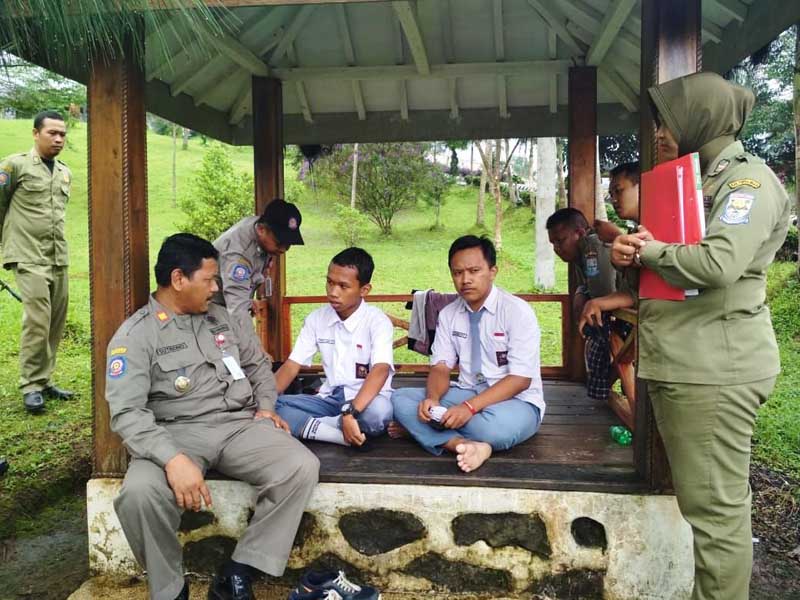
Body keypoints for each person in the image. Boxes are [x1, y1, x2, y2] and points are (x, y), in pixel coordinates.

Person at [611, 72, 790, 600]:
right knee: (709, 509)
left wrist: (649, 252)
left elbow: (718, 263)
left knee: (716, 516)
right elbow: (671, 265)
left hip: (714, 370)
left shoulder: (746, 184)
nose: (658, 132)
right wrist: (633, 253)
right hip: (686, 363)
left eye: (666, 120)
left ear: (699, 118)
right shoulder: (691, 183)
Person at [106, 233, 319, 600]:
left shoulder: (224, 318)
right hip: (174, 435)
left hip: (238, 426)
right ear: (178, 280)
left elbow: (257, 366)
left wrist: (266, 408)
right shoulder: (136, 336)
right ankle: (170, 589)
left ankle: (239, 571)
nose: (217, 287)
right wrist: (172, 459)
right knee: (139, 494)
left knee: (299, 465)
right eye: (209, 280)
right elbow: (127, 412)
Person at [391, 235, 544, 473]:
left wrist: (468, 409)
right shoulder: (449, 313)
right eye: (457, 273)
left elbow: (520, 380)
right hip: (466, 392)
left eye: (474, 271)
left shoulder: (517, 311)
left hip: (516, 403)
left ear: (493, 271)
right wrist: (432, 398)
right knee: (399, 400)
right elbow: (441, 366)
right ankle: (463, 445)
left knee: (495, 431)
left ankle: (421, 432)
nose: (465, 280)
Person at [274, 247, 394, 448]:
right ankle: (337, 433)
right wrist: (263, 402)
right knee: (273, 406)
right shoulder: (316, 319)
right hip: (329, 399)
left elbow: (380, 370)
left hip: (365, 400)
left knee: (379, 413)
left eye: (343, 286)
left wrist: (350, 411)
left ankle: (316, 426)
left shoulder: (377, 321)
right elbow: (292, 364)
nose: (333, 292)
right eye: (329, 282)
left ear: (364, 290)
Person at [0, 110, 74, 413]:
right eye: (51, 133)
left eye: (62, 134)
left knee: (55, 320)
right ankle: (30, 384)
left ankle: (44, 380)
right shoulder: (14, 165)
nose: (58, 139)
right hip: (27, 255)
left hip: (58, 256)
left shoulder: (64, 171)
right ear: (35, 133)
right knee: (38, 320)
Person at [546, 208, 617, 401]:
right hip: (613, 315)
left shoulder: (592, 246)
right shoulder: (581, 253)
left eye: (560, 240)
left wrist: (584, 295)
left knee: (600, 339)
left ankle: (605, 389)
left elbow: (604, 291)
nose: (557, 249)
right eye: (553, 243)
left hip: (621, 316)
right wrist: (581, 292)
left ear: (580, 233)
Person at [213, 198, 304, 333]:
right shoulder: (238, 254)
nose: (283, 249)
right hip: (212, 310)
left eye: (288, 244)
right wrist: (252, 348)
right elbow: (237, 310)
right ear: (261, 229)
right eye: (279, 242)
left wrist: (248, 300)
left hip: (228, 305)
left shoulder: (259, 228)